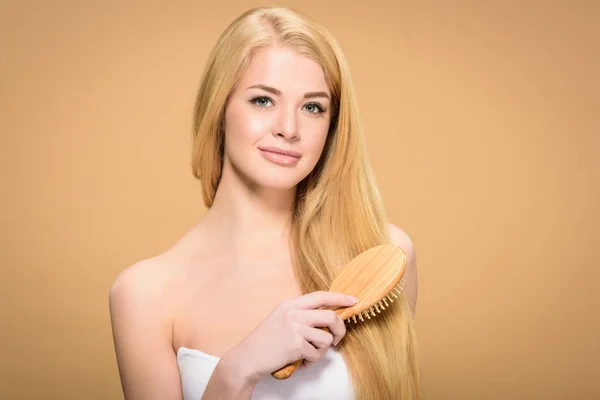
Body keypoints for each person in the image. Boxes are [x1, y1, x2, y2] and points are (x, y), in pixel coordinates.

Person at [109, 6, 421, 400]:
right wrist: (238, 370)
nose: (288, 129)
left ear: (332, 125)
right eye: (262, 101)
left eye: (313, 107)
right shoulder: (144, 295)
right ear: (218, 110)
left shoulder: (382, 257)